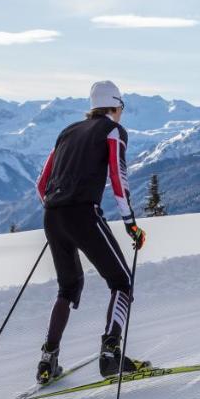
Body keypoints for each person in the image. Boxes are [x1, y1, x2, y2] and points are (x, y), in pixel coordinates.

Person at [34, 81, 148, 383]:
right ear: (116, 106)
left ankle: (47, 361)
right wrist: (130, 224)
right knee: (122, 281)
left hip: (52, 215)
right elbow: (118, 180)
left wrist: (57, 210)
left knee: (68, 288)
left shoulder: (67, 132)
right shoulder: (113, 131)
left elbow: (42, 183)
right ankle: (111, 354)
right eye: (121, 108)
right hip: (83, 214)